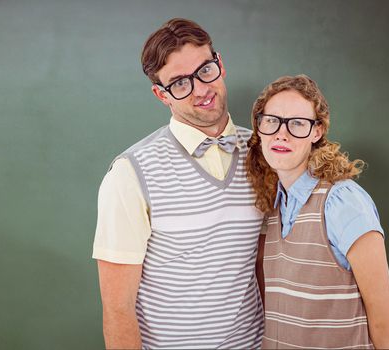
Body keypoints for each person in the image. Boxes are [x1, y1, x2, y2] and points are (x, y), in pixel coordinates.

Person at [92, 18, 265, 349]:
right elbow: (118, 310)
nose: (200, 89)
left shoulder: (264, 153)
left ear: (220, 65)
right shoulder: (130, 174)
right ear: (161, 95)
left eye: (205, 70)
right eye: (180, 83)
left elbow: (264, 264)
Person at [246, 74, 389, 349]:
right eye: (272, 121)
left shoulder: (342, 201)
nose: (282, 133)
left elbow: (384, 319)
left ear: (317, 132)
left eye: (297, 124)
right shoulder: (273, 206)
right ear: (259, 128)